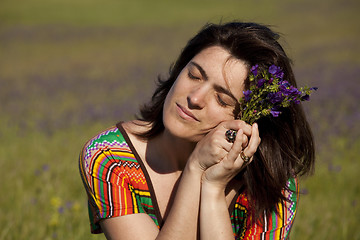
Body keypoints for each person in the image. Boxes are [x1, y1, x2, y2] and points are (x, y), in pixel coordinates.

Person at [79, 21, 315, 240]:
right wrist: (195, 169)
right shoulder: (110, 156)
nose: (194, 98)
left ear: (247, 122)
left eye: (222, 100)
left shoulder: (272, 183)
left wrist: (212, 189)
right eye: (193, 75)